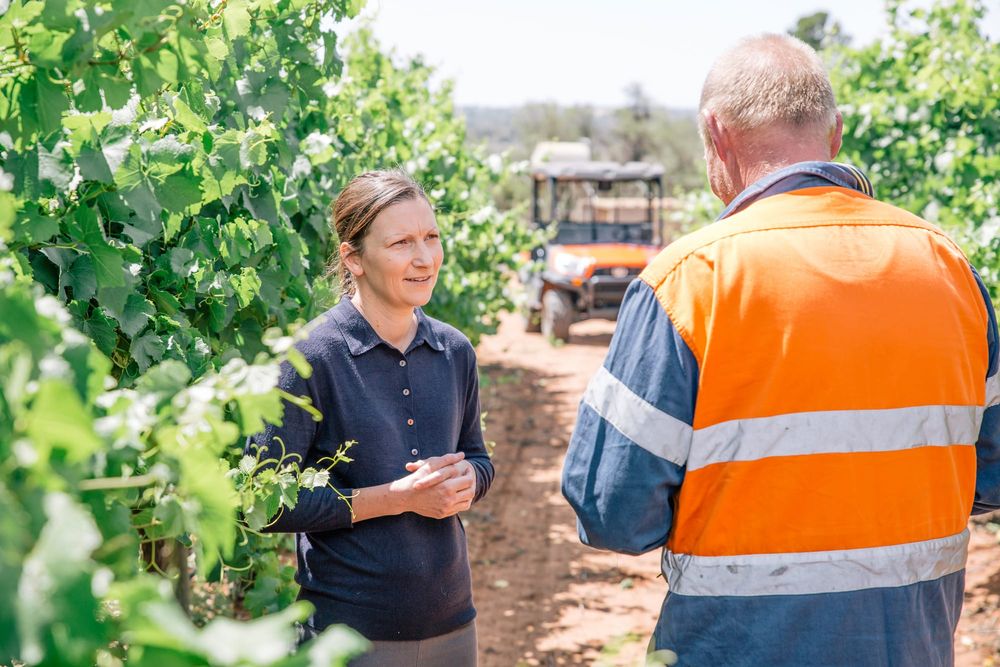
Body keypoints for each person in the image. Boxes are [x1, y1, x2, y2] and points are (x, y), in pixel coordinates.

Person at [562, 33, 1000, 666]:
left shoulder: (691, 279)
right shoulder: (948, 267)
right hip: (912, 646)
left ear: (717, 134)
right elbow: (988, 474)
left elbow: (611, 510)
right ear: (836, 134)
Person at [246, 169, 493, 666]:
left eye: (431, 237)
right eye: (401, 243)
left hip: (452, 625)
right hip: (348, 637)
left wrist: (471, 477)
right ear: (352, 257)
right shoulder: (308, 358)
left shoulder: (454, 351)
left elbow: (480, 458)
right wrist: (394, 499)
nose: (424, 258)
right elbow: (259, 502)